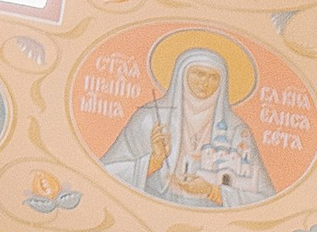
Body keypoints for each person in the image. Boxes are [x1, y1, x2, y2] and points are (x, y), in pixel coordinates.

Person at [99, 48, 273, 209]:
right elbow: (104, 174)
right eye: (198, 73)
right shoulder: (151, 117)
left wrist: (213, 191)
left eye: (213, 77)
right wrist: (153, 161)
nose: (204, 82)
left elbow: (265, 198)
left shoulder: (237, 131)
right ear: (181, 74)